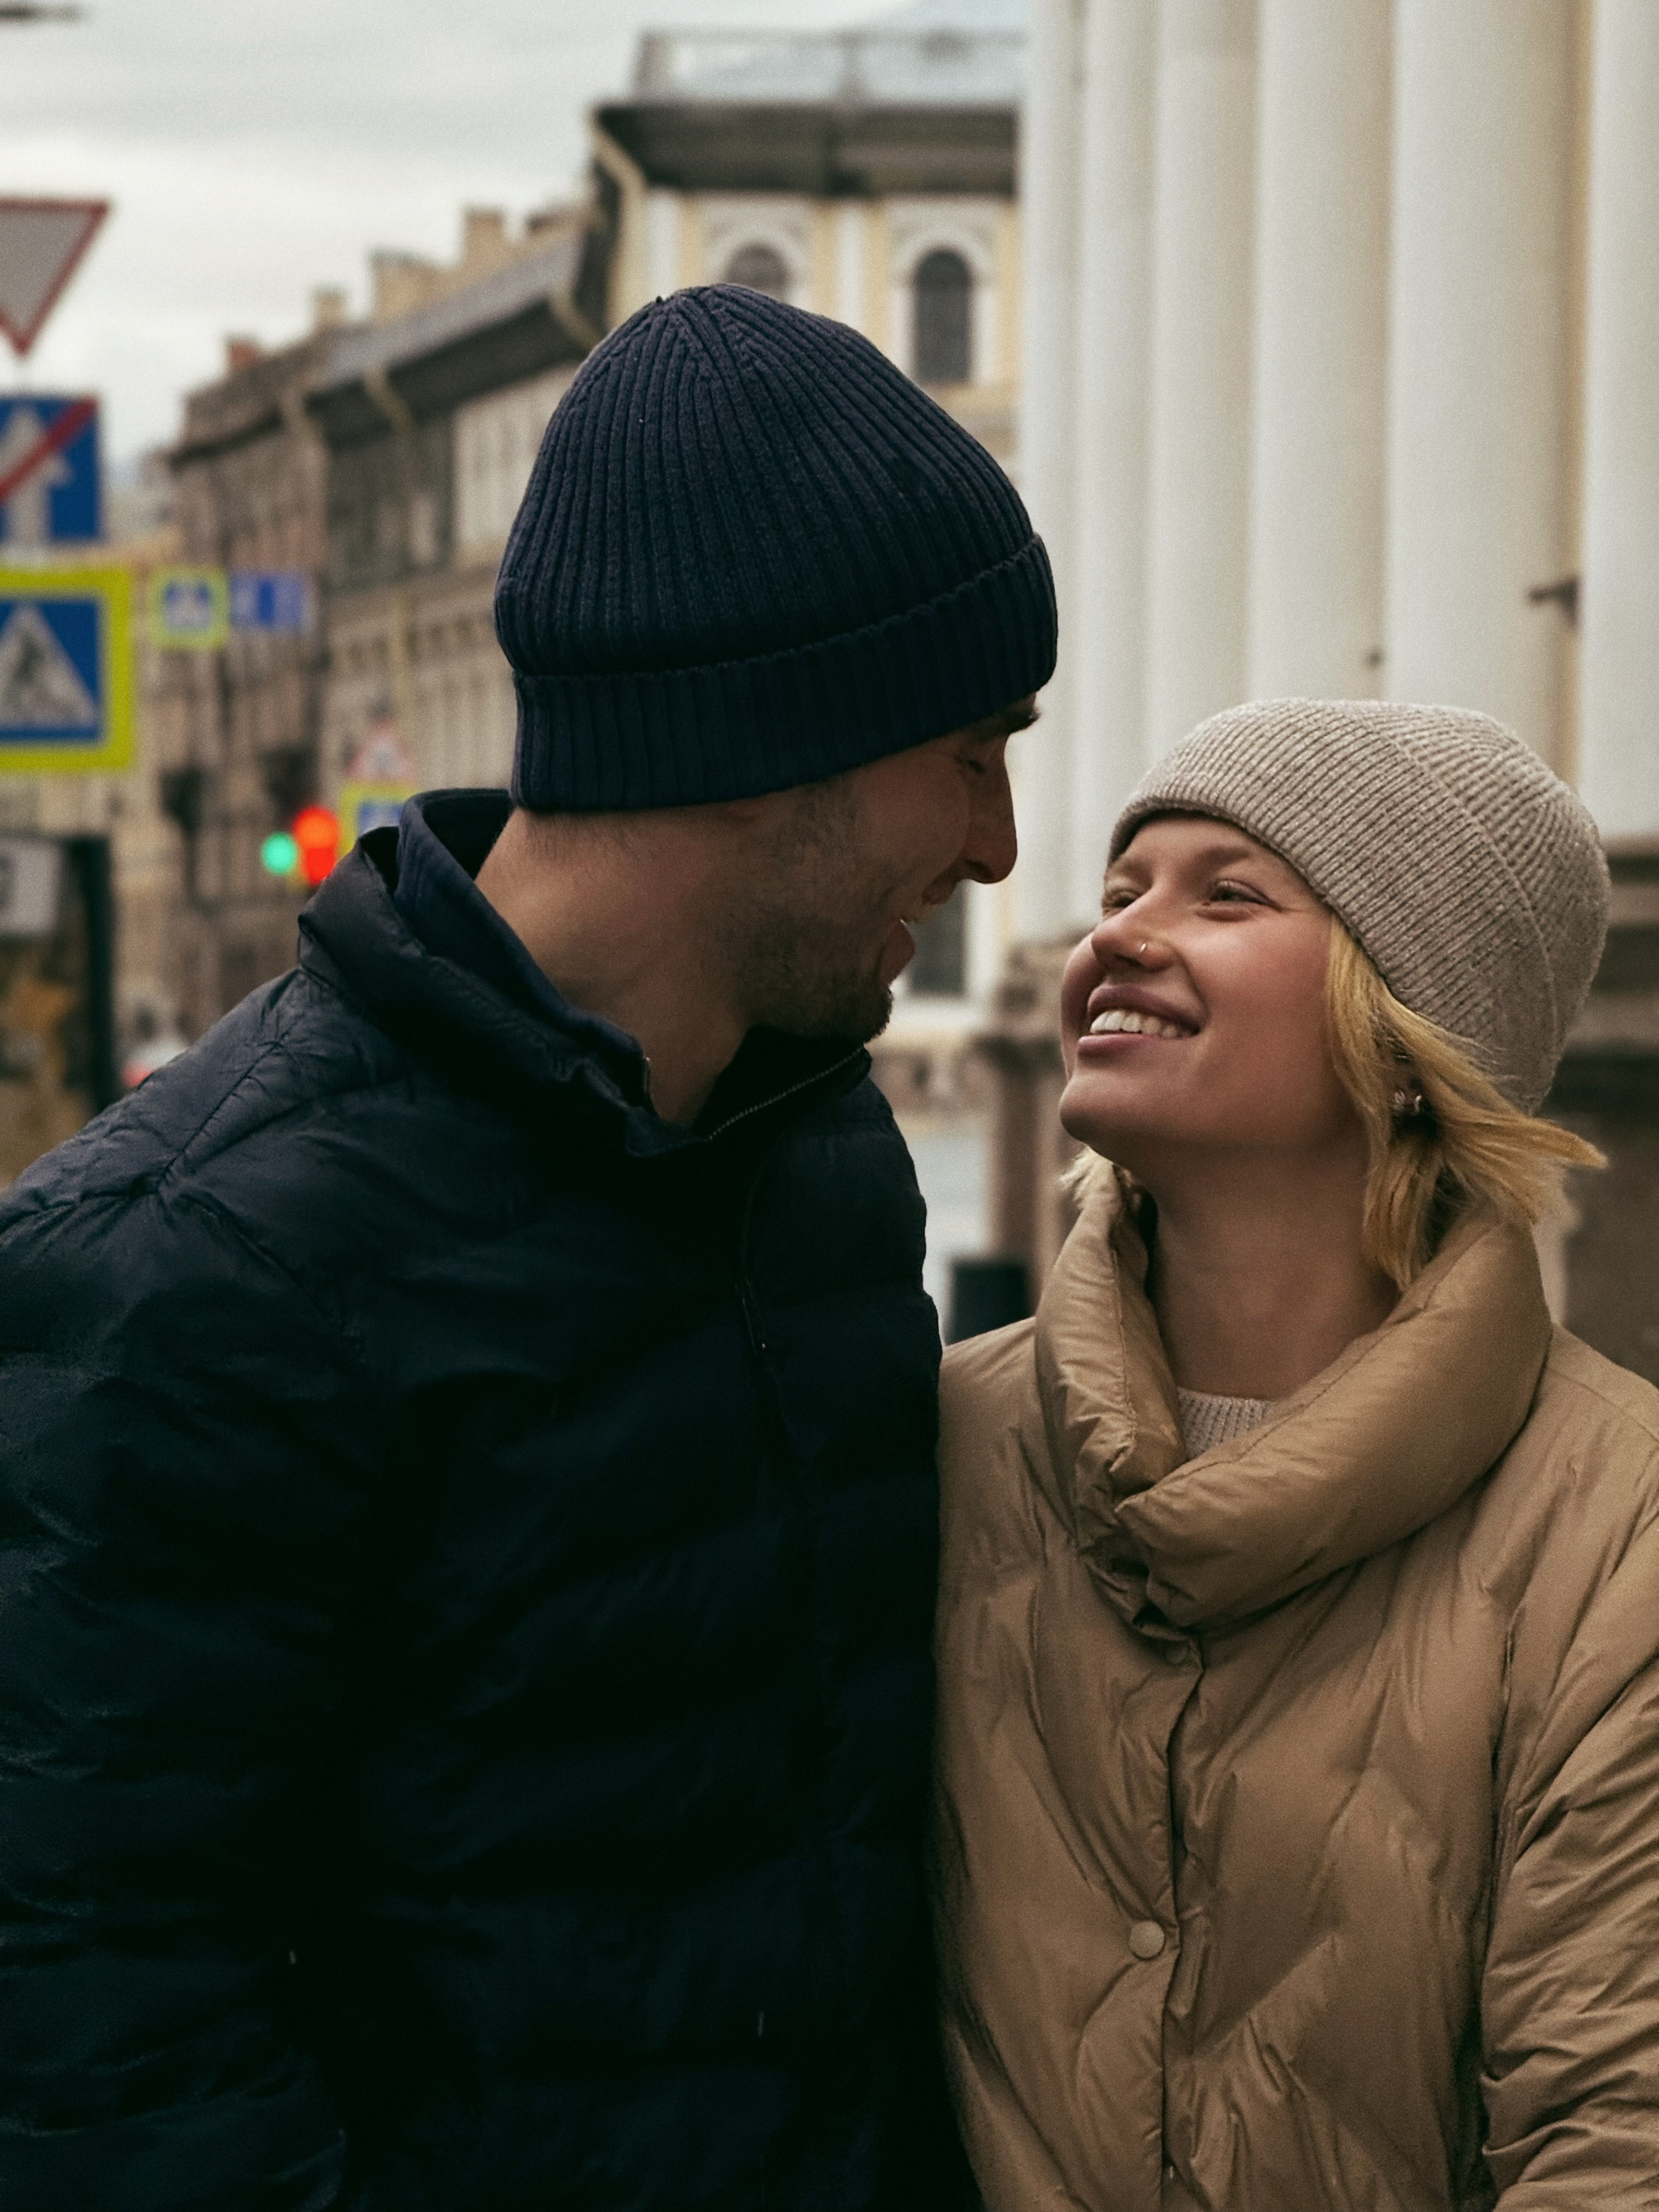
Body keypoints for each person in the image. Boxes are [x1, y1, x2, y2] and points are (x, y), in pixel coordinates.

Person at [0, 286, 1054, 2210]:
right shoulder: (187, 1263)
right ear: (766, 742)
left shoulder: (814, 1158)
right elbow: (97, 2039)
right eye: (969, 746)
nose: (996, 842)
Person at [932, 699, 1659, 2211]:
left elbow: (1609, 2130)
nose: (1118, 934)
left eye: (1227, 894)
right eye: (1123, 886)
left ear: (1409, 1039)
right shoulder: (937, 1444)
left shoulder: (1617, 1522)